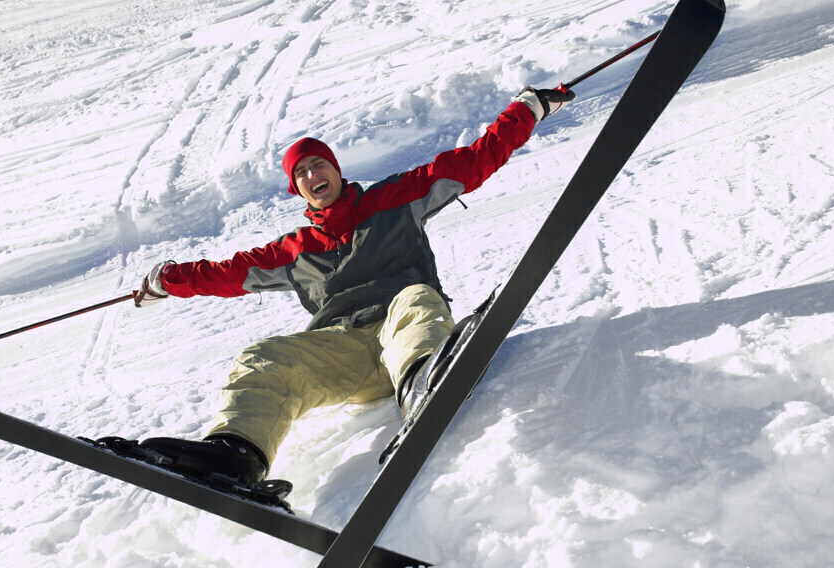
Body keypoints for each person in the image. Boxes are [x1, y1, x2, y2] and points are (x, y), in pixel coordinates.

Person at [129, 86, 574, 486]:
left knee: (415, 298)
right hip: (346, 354)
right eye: (300, 172)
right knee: (263, 357)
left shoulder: (395, 199)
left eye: (318, 163)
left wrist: (527, 109)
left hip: (413, 338)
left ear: (336, 169)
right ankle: (237, 455)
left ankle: (424, 383)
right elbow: (225, 274)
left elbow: (475, 160)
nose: (311, 174)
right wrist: (167, 281)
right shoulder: (294, 250)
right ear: (296, 190)